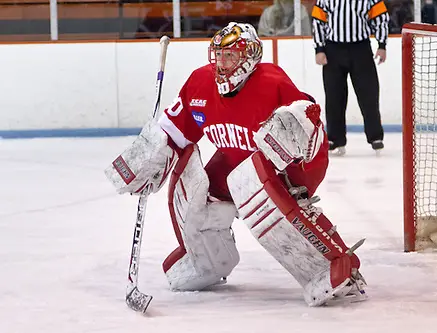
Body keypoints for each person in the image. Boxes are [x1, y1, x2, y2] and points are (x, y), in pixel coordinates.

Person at [105, 22, 366, 306]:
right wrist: (149, 157)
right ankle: (206, 261)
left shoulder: (271, 82)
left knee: (252, 185)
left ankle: (329, 264)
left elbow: (307, 123)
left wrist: (297, 123)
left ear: (250, 56)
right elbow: (173, 130)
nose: (222, 63)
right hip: (235, 160)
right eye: (219, 55)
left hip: (290, 168)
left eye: (231, 55)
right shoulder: (200, 84)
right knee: (195, 190)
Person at [312, 0, 390, 156]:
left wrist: (382, 45)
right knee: (334, 97)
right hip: (333, 49)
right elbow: (318, 22)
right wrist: (319, 48)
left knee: (369, 94)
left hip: (360, 48)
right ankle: (335, 139)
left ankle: (375, 137)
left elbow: (381, 18)